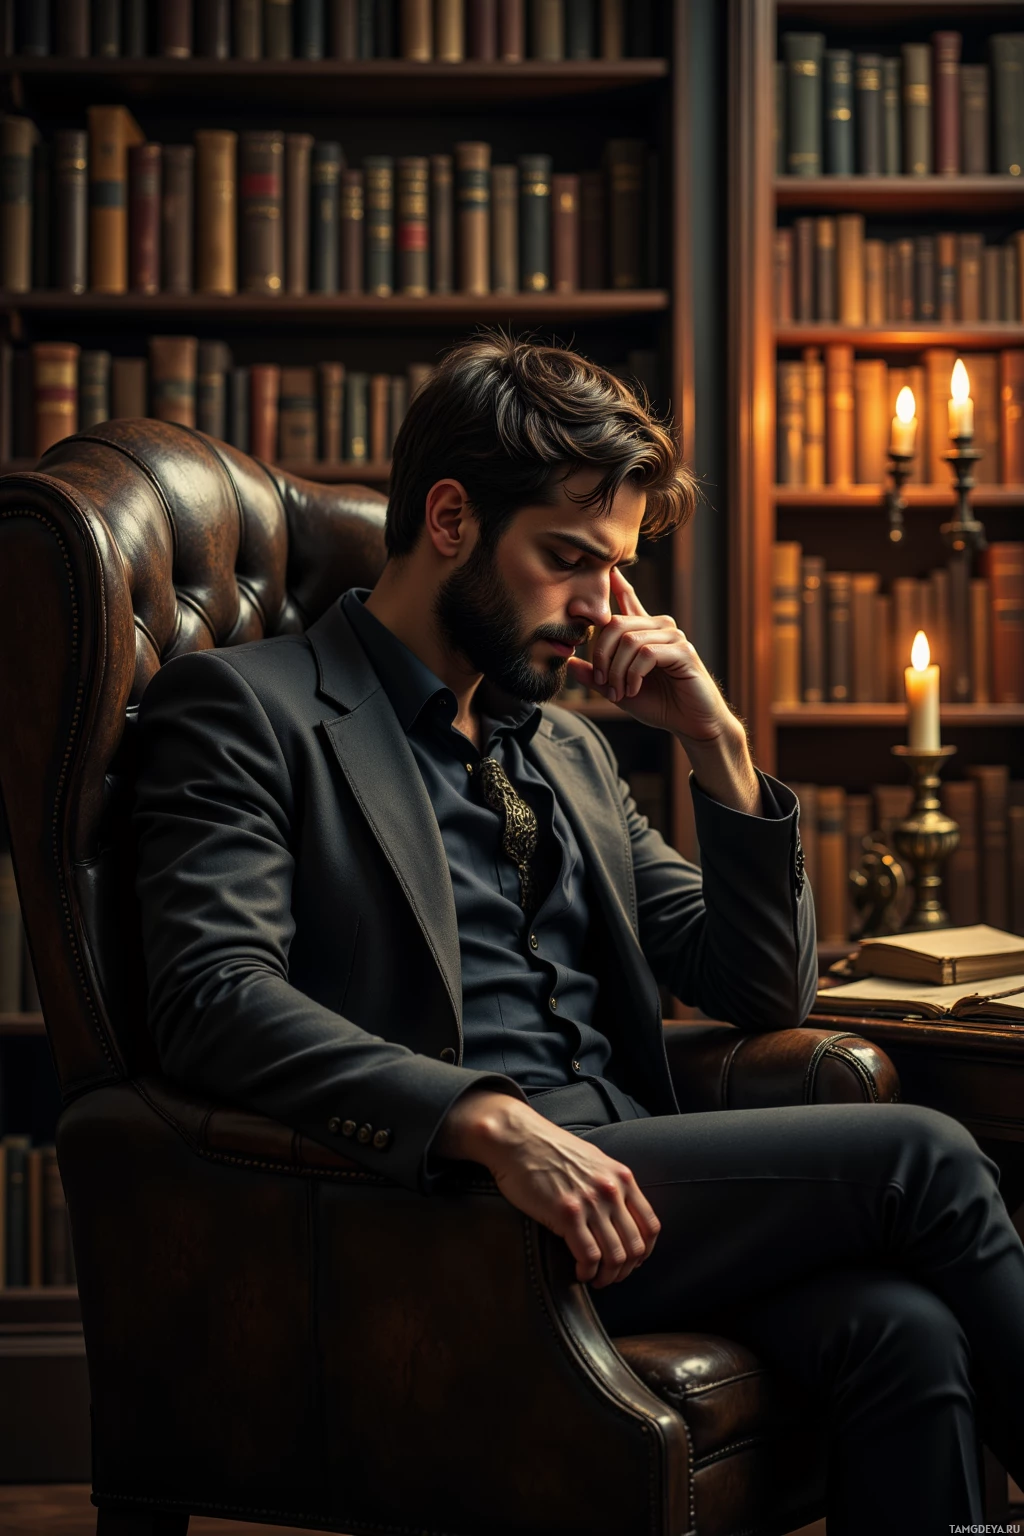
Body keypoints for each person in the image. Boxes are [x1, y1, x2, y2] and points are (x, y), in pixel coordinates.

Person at [134, 331, 1024, 1533]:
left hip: (637, 1193)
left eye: (619, 570)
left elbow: (761, 987)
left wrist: (717, 747)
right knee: (922, 1152)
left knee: (901, 1330)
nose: (602, 609)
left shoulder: (565, 748)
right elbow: (211, 995)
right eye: (568, 560)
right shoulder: (248, 710)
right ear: (450, 518)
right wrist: (480, 1117)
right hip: (448, 1213)